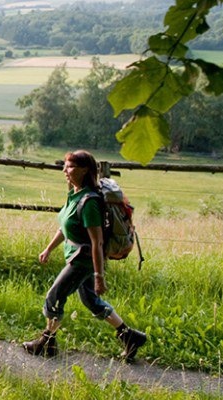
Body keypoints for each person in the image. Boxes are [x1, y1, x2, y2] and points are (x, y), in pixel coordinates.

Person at [23, 150, 147, 362]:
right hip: (77, 256)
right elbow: (65, 227)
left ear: (85, 170)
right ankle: (130, 336)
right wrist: (49, 249)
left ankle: (47, 342)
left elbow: (97, 242)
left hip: (83, 259)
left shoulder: (89, 202)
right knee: (90, 300)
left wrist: (99, 276)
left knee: (54, 297)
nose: (65, 170)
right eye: (65, 166)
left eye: (69, 166)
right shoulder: (75, 194)